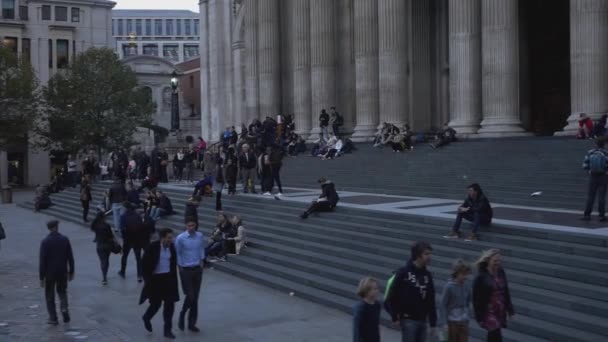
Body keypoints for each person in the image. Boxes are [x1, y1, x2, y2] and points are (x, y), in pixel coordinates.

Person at [384, 241, 437, 342]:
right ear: (418, 255)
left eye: (430, 254)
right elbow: (392, 295)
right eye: (426, 254)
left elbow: (431, 299)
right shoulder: (403, 272)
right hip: (408, 319)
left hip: (422, 320)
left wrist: (433, 322)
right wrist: (394, 317)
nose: (430, 256)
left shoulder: (427, 275)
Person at [140, 228, 179, 339]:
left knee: (170, 306)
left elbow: (173, 264)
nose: (170, 240)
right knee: (156, 304)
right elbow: (144, 265)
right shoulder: (152, 247)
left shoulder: (172, 247)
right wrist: (147, 280)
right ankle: (147, 317)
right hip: (155, 280)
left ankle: (167, 330)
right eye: (168, 238)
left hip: (169, 280)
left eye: (171, 238)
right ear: (162, 238)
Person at [473, 249, 514, 342]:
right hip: (488, 310)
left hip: (499, 308)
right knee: (494, 331)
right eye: (495, 261)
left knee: (496, 332)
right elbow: (476, 298)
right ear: (488, 260)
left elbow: (505, 290)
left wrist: (510, 310)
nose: (498, 263)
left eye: (499, 260)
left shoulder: (501, 272)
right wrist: (479, 317)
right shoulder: (481, 276)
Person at [39, 220, 74, 325]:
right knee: (62, 291)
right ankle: (64, 308)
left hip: (49, 272)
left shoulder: (45, 242)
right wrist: (71, 271)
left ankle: (53, 318)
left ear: (49, 228)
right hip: (62, 271)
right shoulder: (64, 239)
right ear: (56, 227)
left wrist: (41, 277)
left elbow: (42, 260)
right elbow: (70, 257)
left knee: (49, 295)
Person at [175, 219, 206, 333]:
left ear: (196, 226)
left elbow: (201, 248)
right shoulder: (181, 238)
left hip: (197, 269)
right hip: (186, 270)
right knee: (190, 295)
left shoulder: (199, 236)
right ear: (186, 226)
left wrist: (202, 260)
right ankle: (183, 313)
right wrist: (180, 266)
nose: (191, 227)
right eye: (189, 225)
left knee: (195, 298)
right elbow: (177, 252)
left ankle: (192, 323)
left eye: (193, 225)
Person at [440, 259, 472, 342]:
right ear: (456, 273)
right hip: (452, 321)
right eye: (463, 274)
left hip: (464, 320)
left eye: (467, 274)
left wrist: (466, 315)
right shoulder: (449, 287)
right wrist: (444, 323)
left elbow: (467, 301)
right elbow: (443, 305)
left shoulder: (467, 285)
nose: (466, 277)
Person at [119, 204, 150, 282]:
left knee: (125, 256)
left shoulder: (123, 216)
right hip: (137, 240)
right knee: (138, 258)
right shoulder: (137, 216)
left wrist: (124, 237)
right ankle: (139, 275)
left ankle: (122, 271)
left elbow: (122, 229)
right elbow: (141, 227)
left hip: (127, 240)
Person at [582, 138, 608, 221]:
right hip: (603, 176)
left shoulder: (590, 152)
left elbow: (585, 165)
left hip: (593, 176)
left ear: (596, 144)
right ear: (604, 144)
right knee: (601, 197)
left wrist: (590, 171)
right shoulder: (606, 153)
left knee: (590, 196)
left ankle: (587, 215)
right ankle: (601, 216)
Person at [352, 277, 381, 342]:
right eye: (375, 289)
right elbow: (358, 331)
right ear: (366, 291)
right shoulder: (361, 308)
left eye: (377, 288)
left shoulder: (377, 305)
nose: (377, 291)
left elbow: (375, 327)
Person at [90, 211, 114, 285]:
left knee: (103, 260)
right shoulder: (107, 225)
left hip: (100, 245)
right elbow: (111, 236)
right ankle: (105, 274)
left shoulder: (95, 225)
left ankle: (104, 277)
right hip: (107, 245)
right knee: (106, 260)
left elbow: (93, 229)